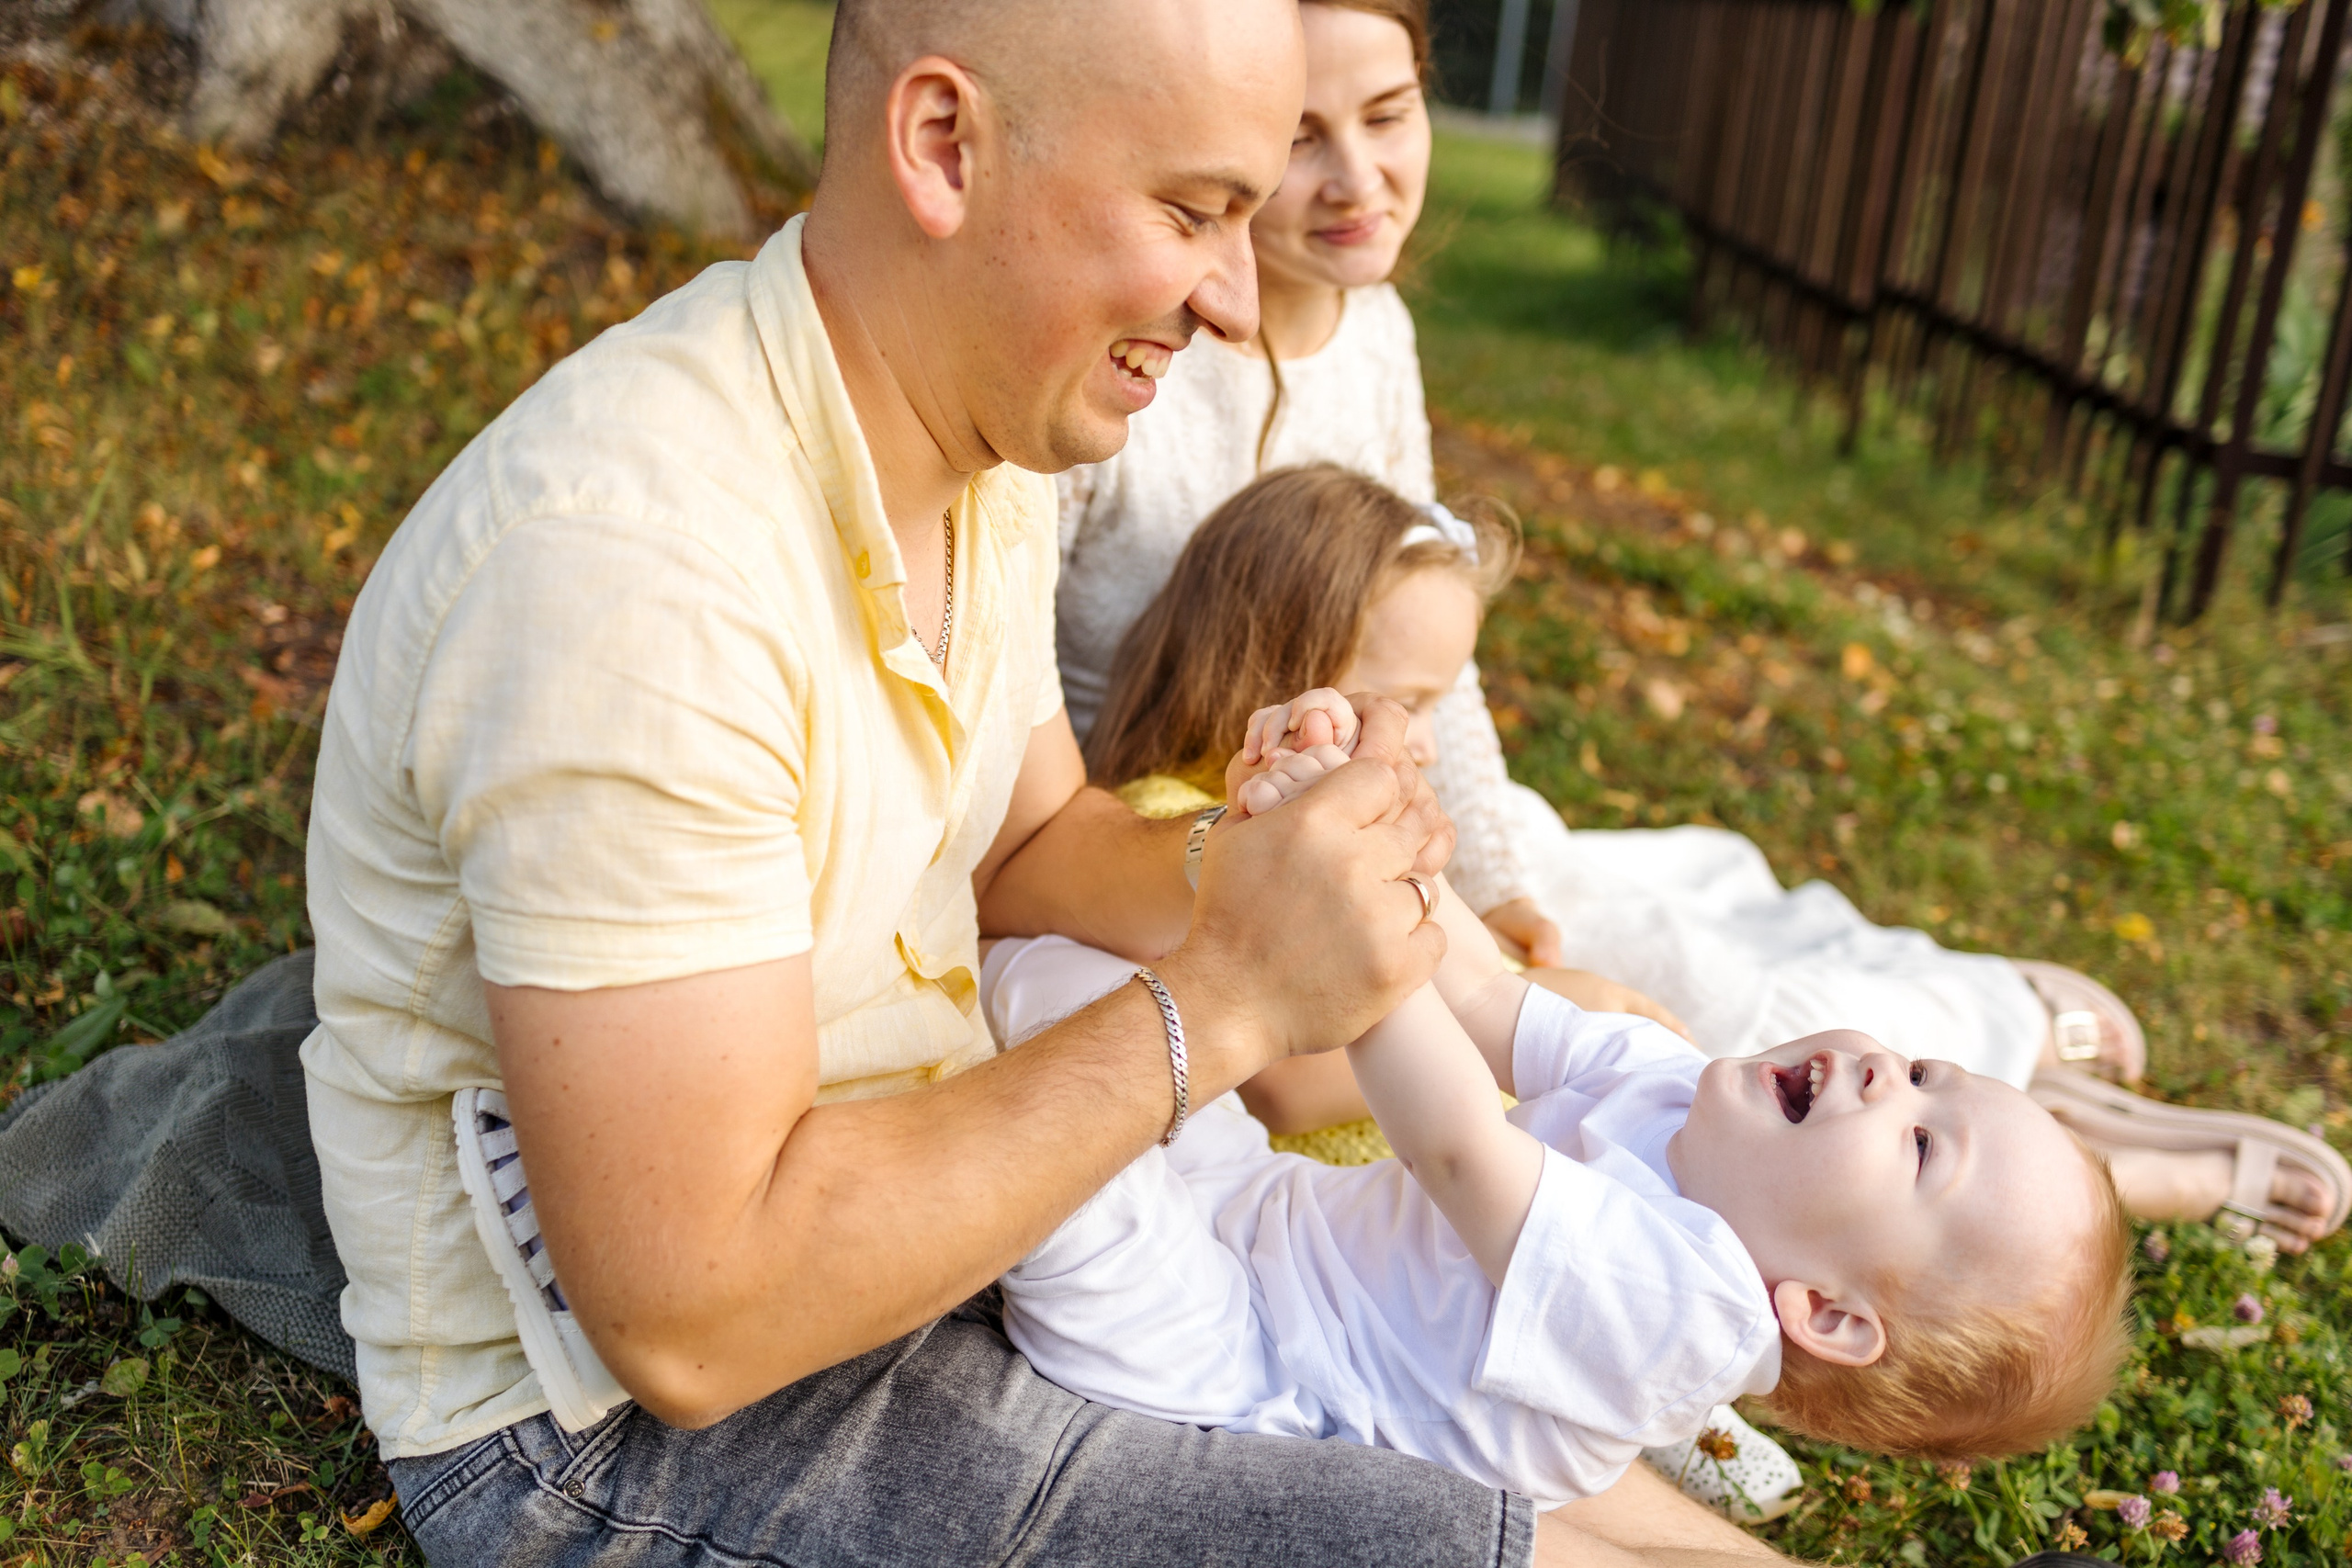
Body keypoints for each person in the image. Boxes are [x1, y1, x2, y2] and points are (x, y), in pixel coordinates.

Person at [295, 2, 1790, 1564]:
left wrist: (1262, 856)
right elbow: (697, 1318)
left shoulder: (976, 445)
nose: (1235, 299)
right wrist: (1229, 993)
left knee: (1462, 1408)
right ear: (945, 146)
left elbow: (1028, 849)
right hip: (630, 1427)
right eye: (1194, 211)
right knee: (1418, 1534)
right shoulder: (635, 576)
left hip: (950, 1203)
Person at [1051, 0, 2347, 1255]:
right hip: (1201, 830)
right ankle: (2032, 1084)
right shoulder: (1120, 364)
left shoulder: (1372, 331)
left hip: (1384, 796)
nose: (1357, 178)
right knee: (1681, 1002)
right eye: (1298, 140)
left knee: (1679, 903)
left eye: (1388, 115)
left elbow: (1433, 646)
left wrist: (1497, 878)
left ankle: (2000, 1044)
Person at [982, 895, 2134, 1509]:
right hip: (1259, 1206)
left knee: (1059, 1149)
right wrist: (1387, 850)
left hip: (1242, 1371)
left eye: (1921, 1145)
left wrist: (1349, 934)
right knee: (1071, 984)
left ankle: (914, 1073)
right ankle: (930, 965)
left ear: (1824, 1313)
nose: (1890, 1074)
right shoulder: (1687, 1092)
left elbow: (1457, 1150)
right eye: (1927, 1069)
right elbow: (1485, 995)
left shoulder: (1682, 1314)